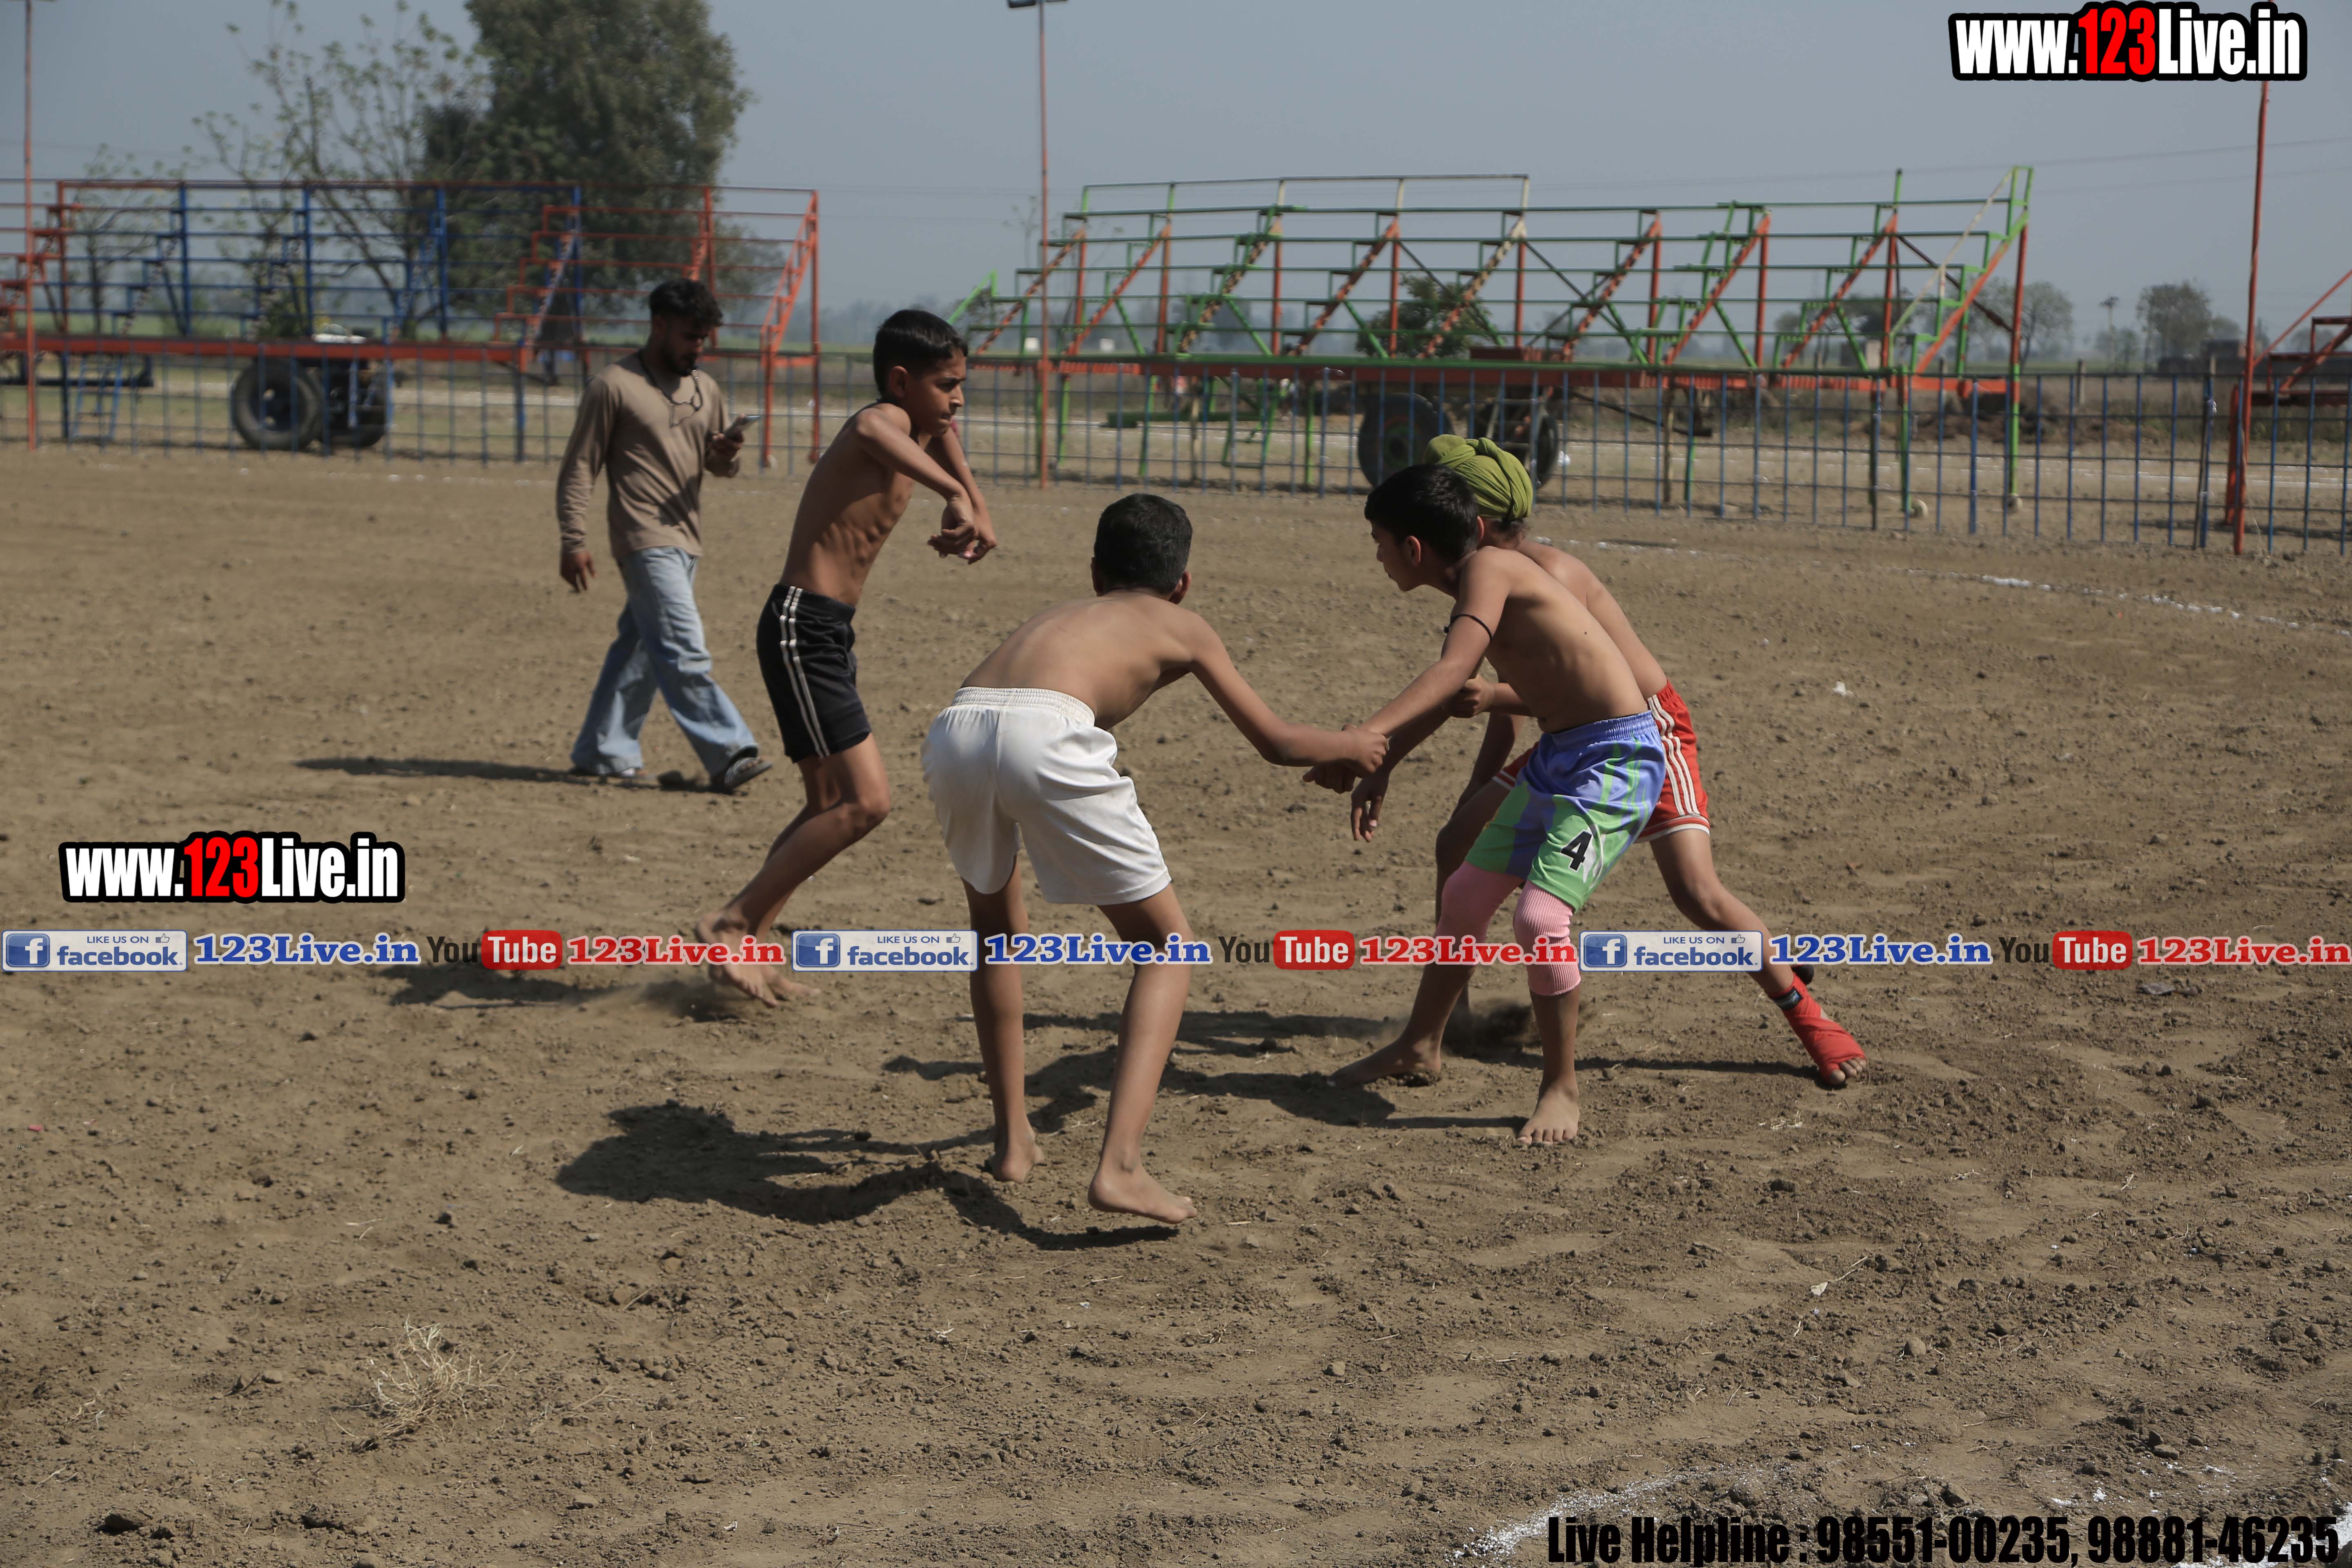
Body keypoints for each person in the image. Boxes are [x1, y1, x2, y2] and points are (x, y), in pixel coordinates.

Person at [921, 494, 1385, 1222]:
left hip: (959, 726)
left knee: (995, 934)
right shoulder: (1182, 623)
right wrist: (1353, 745)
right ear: (1183, 583)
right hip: (1046, 734)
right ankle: (1121, 1168)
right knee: (1169, 947)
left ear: (1096, 573)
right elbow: (1276, 742)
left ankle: (1013, 1143)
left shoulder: (1059, 616)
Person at [1408, 435, 1865, 1088]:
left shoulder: (1545, 576)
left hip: (1643, 732)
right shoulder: (1483, 576)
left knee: (1697, 894)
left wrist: (1489, 702)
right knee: (1456, 840)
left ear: (1468, 520)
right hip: (1571, 741)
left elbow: (1588, 691)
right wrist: (1477, 786)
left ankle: (1803, 1009)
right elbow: (1517, 693)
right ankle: (1447, 1019)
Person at [1321, 465, 1664, 1146]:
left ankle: (1561, 1087)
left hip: (1617, 763)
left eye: (1379, 542)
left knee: (1540, 918)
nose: (1377, 556)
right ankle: (1421, 1044)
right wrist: (1383, 762)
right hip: (1561, 757)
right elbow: (1458, 692)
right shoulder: (1480, 584)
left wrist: (1364, 739)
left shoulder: (1491, 571)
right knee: (1465, 896)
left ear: (1412, 549)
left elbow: (1453, 673)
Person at [695, 309, 997, 1003]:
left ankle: (749, 949)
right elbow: (868, 430)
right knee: (866, 802)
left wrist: (977, 505)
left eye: (962, 384)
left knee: (826, 803)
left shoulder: (922, 428)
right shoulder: (881, 421)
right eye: (947, 385)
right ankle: (730, 923)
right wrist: (954, 493)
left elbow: (946, 438)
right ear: (901, 381)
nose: (958, 400)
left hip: (826, 630)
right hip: (801, 627)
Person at [559, 277, 773, 794]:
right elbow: (580, 467)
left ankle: (602, 750)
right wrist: (573, 539)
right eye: (690, 336)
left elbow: (719, 468)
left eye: (704, 338)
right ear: (658, 325)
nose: (698, 348)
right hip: (643, 536)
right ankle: (729, 752)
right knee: (683, 648)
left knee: (639, 650)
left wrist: (726, 454)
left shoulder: (705, 389)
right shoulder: (613, 386)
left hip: (688, 538)